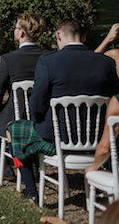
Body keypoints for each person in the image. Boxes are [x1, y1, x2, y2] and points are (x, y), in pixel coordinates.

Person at [9, 19, 119, 199]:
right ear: (83, 37)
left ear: (58, 36)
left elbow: (36, 105)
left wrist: (39, 120)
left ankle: (31, 191)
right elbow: (115, 99)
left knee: (13, 130)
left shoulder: (48, 62)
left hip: (57, 139)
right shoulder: (106, 63)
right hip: (99, 138)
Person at [0, 13, 49, 181]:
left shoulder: (9, 59)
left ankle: (6, 168)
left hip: (15, 117)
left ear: (21, 33)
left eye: (15, 28)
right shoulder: (48, 57)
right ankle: (34, 164)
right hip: (43, 117)